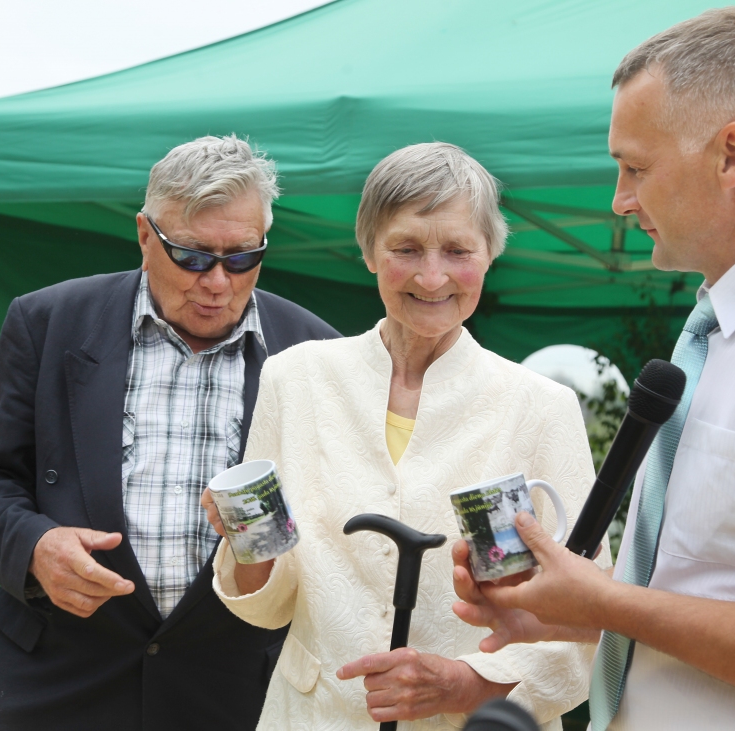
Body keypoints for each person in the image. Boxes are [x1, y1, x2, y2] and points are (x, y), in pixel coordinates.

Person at [451, 8, 735, 730]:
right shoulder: (724, 332)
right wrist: (575, 609)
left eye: (635, 166)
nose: (619, 200)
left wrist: (607, 602)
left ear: (733, 155)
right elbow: (723, 596)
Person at [201, 142, 613, 730]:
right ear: (369, 250)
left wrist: (464, 684)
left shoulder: (541, 407)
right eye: (407, 248)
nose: (432, 275)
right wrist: (246, 546)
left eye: (457, 250)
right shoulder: (296, 379)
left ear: (490, 254)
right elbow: (269, 605)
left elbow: (587, 622)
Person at [0, 135, 341, 730]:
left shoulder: (318, 352)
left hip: (234, 687)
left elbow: (335, 518)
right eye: (192, 256)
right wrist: (35, 548)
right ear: (144, 235)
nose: (217, 282)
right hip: (60, 681)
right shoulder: (47, 322)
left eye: (241, 257)